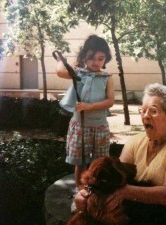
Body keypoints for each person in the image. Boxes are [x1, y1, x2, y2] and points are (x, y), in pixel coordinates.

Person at [75, 83, 166, 225]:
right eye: (143, 110)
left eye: (153, 111)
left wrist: (125, 192)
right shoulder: (135, 141)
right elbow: (118, 177)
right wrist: (86, 195)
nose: (145, 116)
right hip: (148, 209)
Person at [56, 34, 114, 190]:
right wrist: (61, 61)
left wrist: (90, 106)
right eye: (91, 58)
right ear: (84, 57)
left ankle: (95, 190)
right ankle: (80, 191)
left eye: (100, 58)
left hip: (100, 127)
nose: (96, 62)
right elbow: (60, 72)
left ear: (106, 59)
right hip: (81, 126)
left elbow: (110, 101)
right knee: (80, 162)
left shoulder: (107, 77)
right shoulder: (78, 74)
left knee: (98, 163)